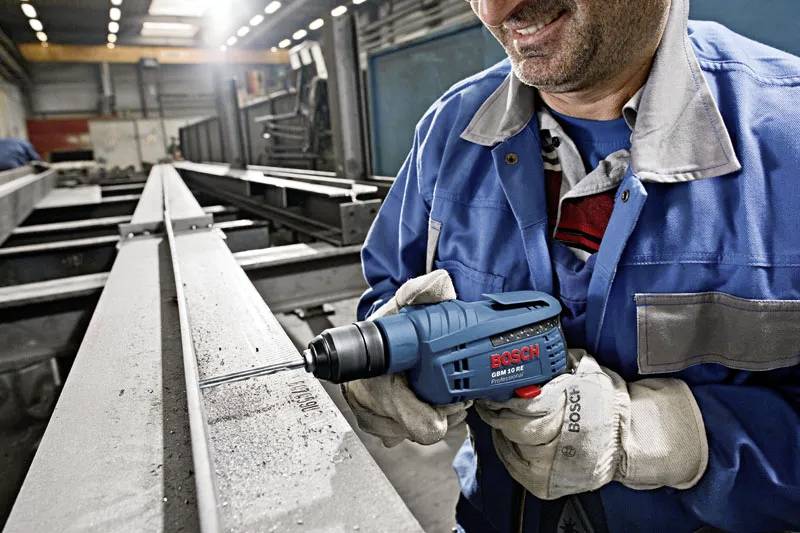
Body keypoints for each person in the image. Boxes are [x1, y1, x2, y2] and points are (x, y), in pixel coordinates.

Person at [344, 0, 800, 531]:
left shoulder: (787, 133)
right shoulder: (450, 131)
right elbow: (389, 289)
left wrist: (678, 439)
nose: (493, 9)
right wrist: (389, 353)